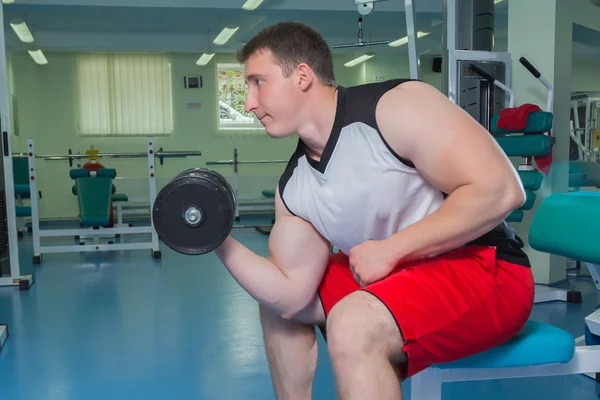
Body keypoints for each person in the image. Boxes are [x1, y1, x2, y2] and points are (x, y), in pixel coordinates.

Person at [215, 21, 535, 400]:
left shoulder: (395, 108)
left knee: (352, 324)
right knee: (273, 305)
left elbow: (501, 190)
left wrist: (391, 249)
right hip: (394, 277)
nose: (249, 103)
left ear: (301, 75)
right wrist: (215, 237)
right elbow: (290, 294)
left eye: (257, 82)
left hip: (486, 266)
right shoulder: (295, 188)